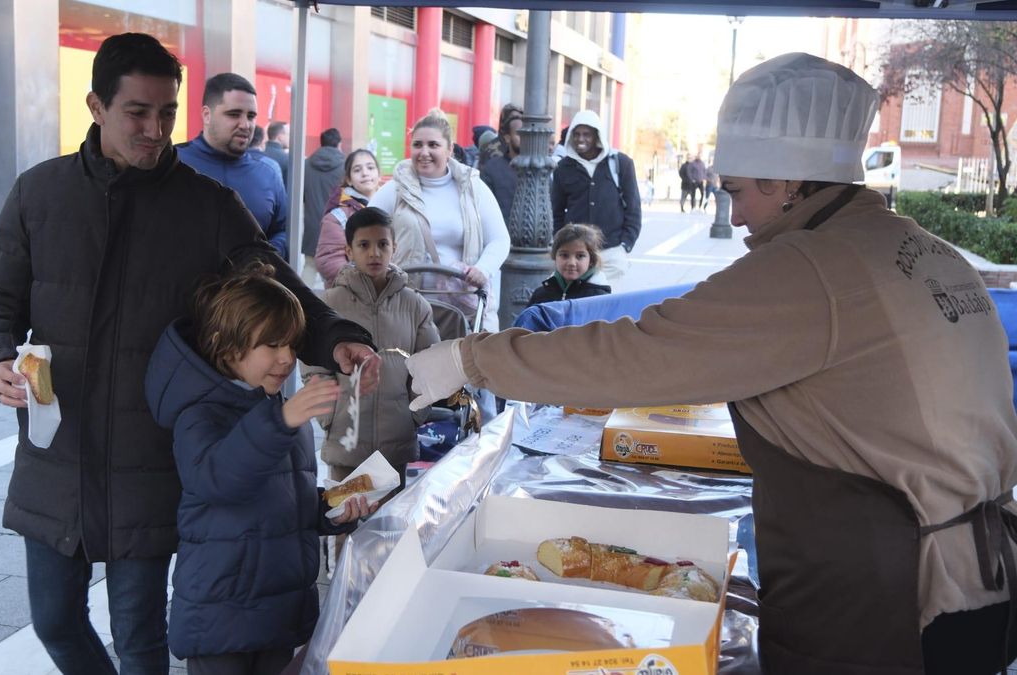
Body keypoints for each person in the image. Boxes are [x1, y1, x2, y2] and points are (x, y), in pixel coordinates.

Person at [406, 52, 1017, 675]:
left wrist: (468, 358)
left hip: (892, 596)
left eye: (738, 191)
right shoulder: (928, 249)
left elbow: (636, 354)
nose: (736, 212)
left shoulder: (808, 268)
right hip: (978, 574)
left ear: (787, 183)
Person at [0, 33, 378, 675]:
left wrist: (336, 335)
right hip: (58, 451)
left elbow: (278, 285)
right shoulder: (38, 194)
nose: (156, 129)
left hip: (150, 456)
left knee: (140, 640)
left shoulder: (206, 206)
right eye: (138, 112)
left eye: (167, 112)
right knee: (55, 623)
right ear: (96, 105)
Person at [143, 263, 376, 675]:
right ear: (227, 347)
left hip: (279, 610)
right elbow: (215, 479)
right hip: (222, 615)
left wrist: (332, 511)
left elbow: (288, 502)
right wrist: (283, 420)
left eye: (291, 344)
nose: (287, 358)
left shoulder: (274, 410)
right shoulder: (201, 412)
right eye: (271, 345)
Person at [304, 207, 439, 484]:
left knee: (389, 523)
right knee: (344, 517)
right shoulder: (329, 304)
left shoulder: (415, 306)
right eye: (364, 245)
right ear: (349, 250)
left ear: (394, 248)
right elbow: (312, 364)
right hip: (346, 437)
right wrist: (330, 414)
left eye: (382, 244)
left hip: (396, 440)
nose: (374, 253)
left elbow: (430, 365)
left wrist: (413, 415)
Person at [369, 108, 511, 333]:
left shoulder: (473, 188)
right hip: (405, 306)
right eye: (417, 145)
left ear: (449, 149)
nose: (424, 152)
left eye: (433, 145)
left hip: (461, 305)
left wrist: (482, 269)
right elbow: (364, 232)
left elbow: (500, 239)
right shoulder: (394, 189)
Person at [177, 73, 289, 258]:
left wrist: (263, 259)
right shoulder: (172, 163)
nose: (245, 125)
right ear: (207, 115)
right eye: (234, 114)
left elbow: (282, 230)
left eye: (251, 116)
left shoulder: (268, 173)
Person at [551, 109, 641, 291]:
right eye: (576, 134)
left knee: (610, 307)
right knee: (580, 306)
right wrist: (560, 242)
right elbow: (556, 211)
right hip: (577, 255)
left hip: (612, 251)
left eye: (586, 134)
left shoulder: (620, 163)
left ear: (597, 136)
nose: (580, 139)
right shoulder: (563, 168)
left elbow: (633, 207)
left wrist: (625, 245)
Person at [314, 149, 381, 286]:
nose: (365, 173)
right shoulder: (337, 216)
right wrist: (364, 284)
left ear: (379, 174)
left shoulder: (392, 205)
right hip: (352, 297)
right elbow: (329, 261)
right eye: (357, 170)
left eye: (370, 167)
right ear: (348, 179)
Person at [527, 224, 611, 307]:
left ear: (591, 260)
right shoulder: (541, 295)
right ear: (554, 256)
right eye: (564, 255)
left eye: (580, 256)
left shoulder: (600, 298)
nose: (571, 263)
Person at [302, 128, 346, 286]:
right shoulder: (345, 166)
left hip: (312, 224)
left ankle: (303, 304)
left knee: (310, 265)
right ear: (339, 144)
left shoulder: (306, 164)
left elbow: (302, 196)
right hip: (336, 227)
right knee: (335, 268)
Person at [480, 106, 523, 227]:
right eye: (519, 135)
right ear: (507, 138)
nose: (524, 139)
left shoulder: (537, 169)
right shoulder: (492, 168)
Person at [265, 120, 290, 190]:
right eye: (289, 135)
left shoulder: (259, 154)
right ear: (280, 137)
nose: (290, 138)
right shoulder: (287, 159)